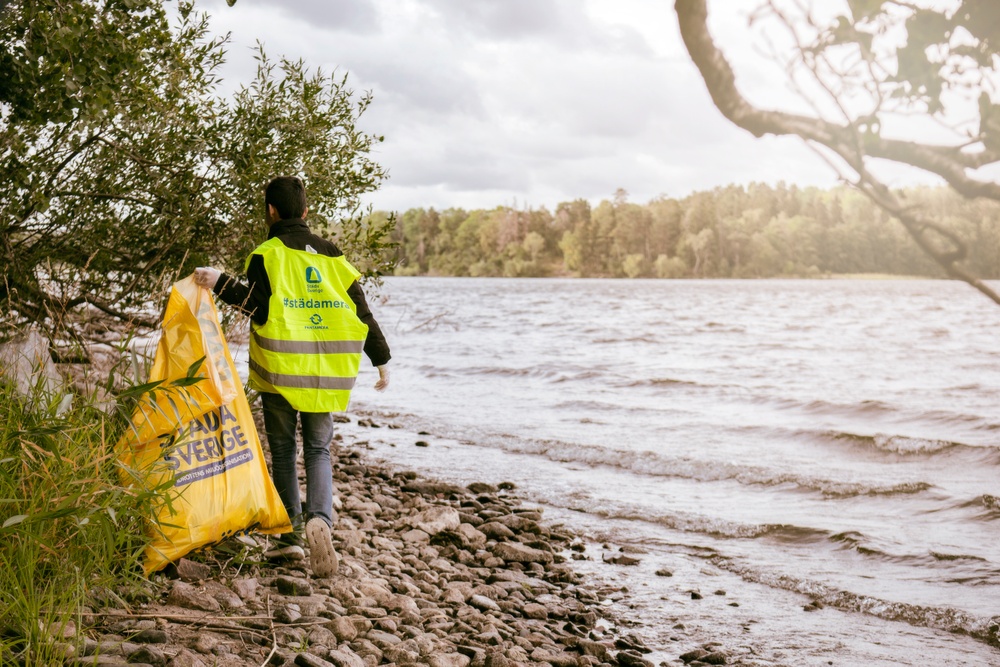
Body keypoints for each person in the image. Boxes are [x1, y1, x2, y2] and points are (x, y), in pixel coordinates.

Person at [193, 176, 390, 577]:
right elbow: (360, 312)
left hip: (281, 371)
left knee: (284, 452)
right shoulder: (334, 256)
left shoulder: (266, 254)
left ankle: (291, 538)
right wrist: (381, 359)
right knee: (319, 450)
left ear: (270, 211)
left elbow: (258, 307)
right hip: (324, 376)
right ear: (305, 211)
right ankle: (322, 519)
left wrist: (220, 283)